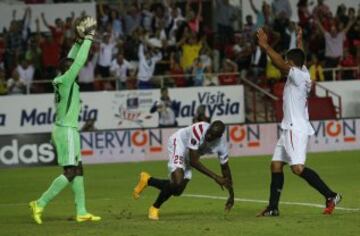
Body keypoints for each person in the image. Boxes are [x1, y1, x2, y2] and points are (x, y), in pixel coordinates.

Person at [256, 27, 341, 216]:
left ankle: (331, 195)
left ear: (292, 64)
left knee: (297, 168)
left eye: (288, 61)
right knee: (276, 165)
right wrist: (300, 42)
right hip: (289, 129)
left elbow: (281, 65)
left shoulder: (298, 75)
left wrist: (266, 46)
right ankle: (273, 208)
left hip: (296, 129)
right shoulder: (302, 71)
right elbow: (298, 59)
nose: (285, 63)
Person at [29, 16, 101, 224]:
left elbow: (70, 59)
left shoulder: (63, 79)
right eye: (72, 68)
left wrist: (77, 42)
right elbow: (78, 61)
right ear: (68, 70)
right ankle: (40, 203)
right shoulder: (68, 80)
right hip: (66, 131)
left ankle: (81, 211)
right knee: (70, 172)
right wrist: (88, 38)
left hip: (69, 129)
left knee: (78, 170)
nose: (76, 69)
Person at [132, 120, 234, 220]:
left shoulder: (221, 146)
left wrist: (231, 195)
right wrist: (215, 177)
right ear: (209, 127)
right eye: (208, 133)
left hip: (191, 154)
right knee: (177, 181)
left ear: (219, 137)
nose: (208, 136)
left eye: (212, 136)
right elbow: (194, 162)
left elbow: (225, 169)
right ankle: (154, 208)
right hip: (179, 144)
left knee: (177, 190)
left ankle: (148, 180)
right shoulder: (199, 130)